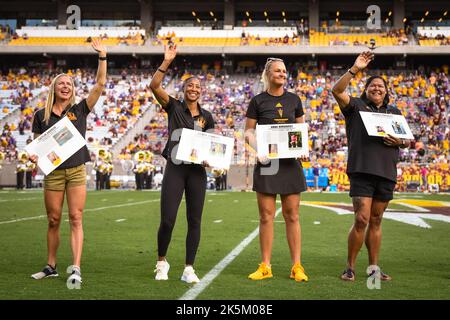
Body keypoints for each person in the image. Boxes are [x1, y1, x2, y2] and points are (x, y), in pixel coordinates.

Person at [29, 39, 107, 286]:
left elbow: (100, 84)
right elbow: (37, 146)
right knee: (53, 219)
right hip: (53, 173)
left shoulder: (80, 109)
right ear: (54, 88)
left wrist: (102, 56)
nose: (65, 86)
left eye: (69, 84)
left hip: (75, 171)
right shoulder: (40, 115)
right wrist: (33, 156)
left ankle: (76, 267)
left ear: (73, 89)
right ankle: (51, 266)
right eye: (61, 83)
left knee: (76, 217)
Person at [331, 51, 410, 282]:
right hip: (362, 169)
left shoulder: (394, 111)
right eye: (372, 86)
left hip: (386, 171)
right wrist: (355, 68)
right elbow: (336, 91)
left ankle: (373, 267)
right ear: (366, 90)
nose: (377, 88)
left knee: (376, 220)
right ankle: (350, 267)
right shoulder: (355, 106)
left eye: (381, 87)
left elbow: (405, 140)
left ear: (386, 92)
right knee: (361, 219)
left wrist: (400, 142)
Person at [150, 44, 215, 283]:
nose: (194, 89)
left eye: (198, 86)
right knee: (167, 219)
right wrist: (166, 61)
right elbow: (154, 86)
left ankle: (189, 268)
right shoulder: (174, 106)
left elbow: (212, 144)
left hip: (197, 172)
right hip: (176, 168)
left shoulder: (207, 116)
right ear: (184, 89)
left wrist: (211, 158)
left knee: (194, 220)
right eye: (190, 86)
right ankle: (161, 261)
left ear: (201, 91)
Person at [245, 57, 308, 282]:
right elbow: (249, 132)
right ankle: (265, 266)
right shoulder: (257, 101)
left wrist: (303, 148)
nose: (282, 74)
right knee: (266, 216)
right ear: (268, 74)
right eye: (277, 71)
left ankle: (296, 266)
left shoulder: (294, 99)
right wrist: (257, 150)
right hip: (267, 163)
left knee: (292, 215)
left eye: (284, 71)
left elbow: (301, 130)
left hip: (290, 163)